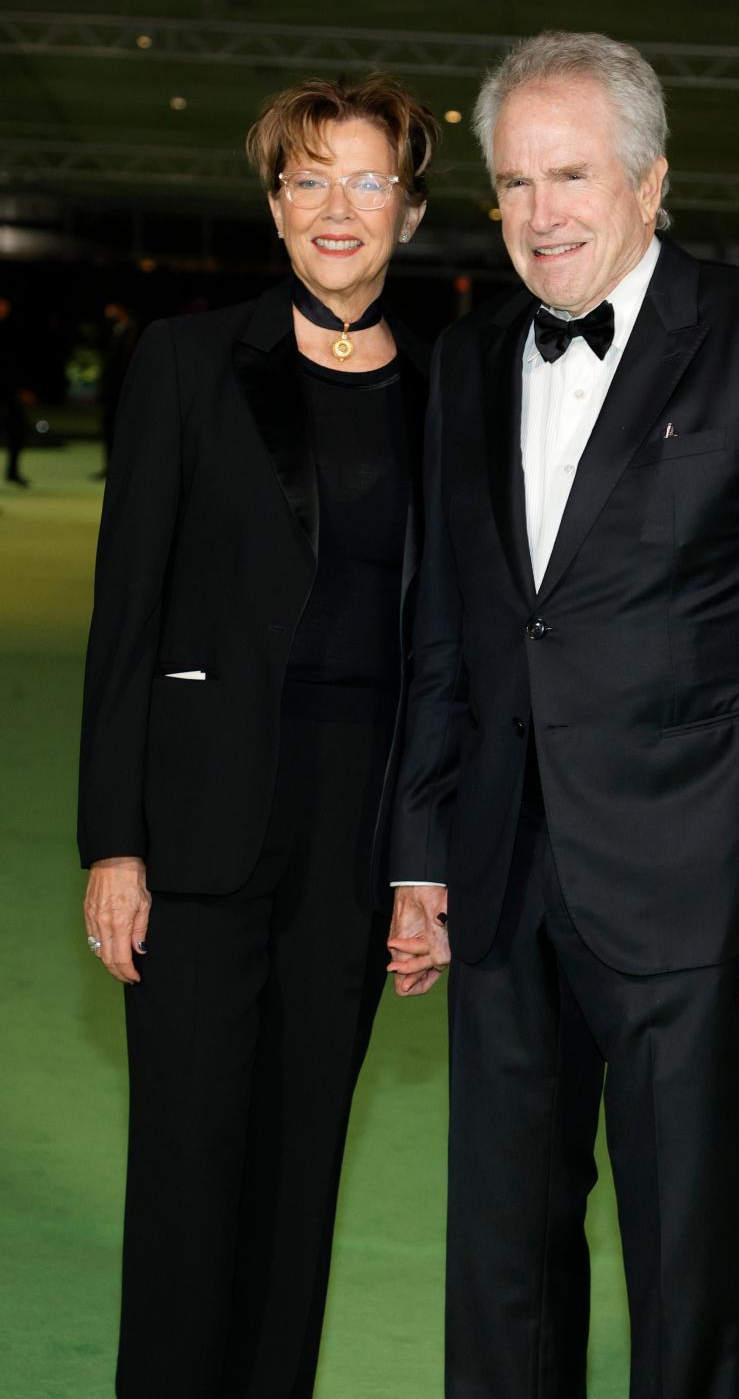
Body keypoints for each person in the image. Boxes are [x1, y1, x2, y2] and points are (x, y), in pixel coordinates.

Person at [387, 31, 739, 1399]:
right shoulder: (471, 359)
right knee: (498, 1254)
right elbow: (449, 632)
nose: (544, 212)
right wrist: (420, 858)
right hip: (500, 872)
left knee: (682, 1254)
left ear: (651, 185)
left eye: (573, 175)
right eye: (517, 182)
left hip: (692, 882)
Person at [78, 74, 439, 1398]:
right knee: (187, 1156)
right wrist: (114, 844)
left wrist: (424, 862)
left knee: (304, 1158)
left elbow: (446, 650)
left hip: (358, 827)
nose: (335, 208)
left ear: (408, 207)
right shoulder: (188, 360)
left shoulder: (448, 394)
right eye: (307, 179)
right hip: (199, 820)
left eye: (365, 180)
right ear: (274, 205)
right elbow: (127, 618)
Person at [95, 300, 140, 477]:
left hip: (121, 388)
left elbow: (124, 363)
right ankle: (111, 466)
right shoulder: (117, 329)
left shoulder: (133, 331)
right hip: (113, 388)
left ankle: (119, 467)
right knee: (108, 427)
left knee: (119, 428)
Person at [0, 295, 32, 487]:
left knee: (16, 431)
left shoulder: (13, 332)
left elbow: (19, 363)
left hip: (11, 391)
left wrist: (23, 388)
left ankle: (12, 471)